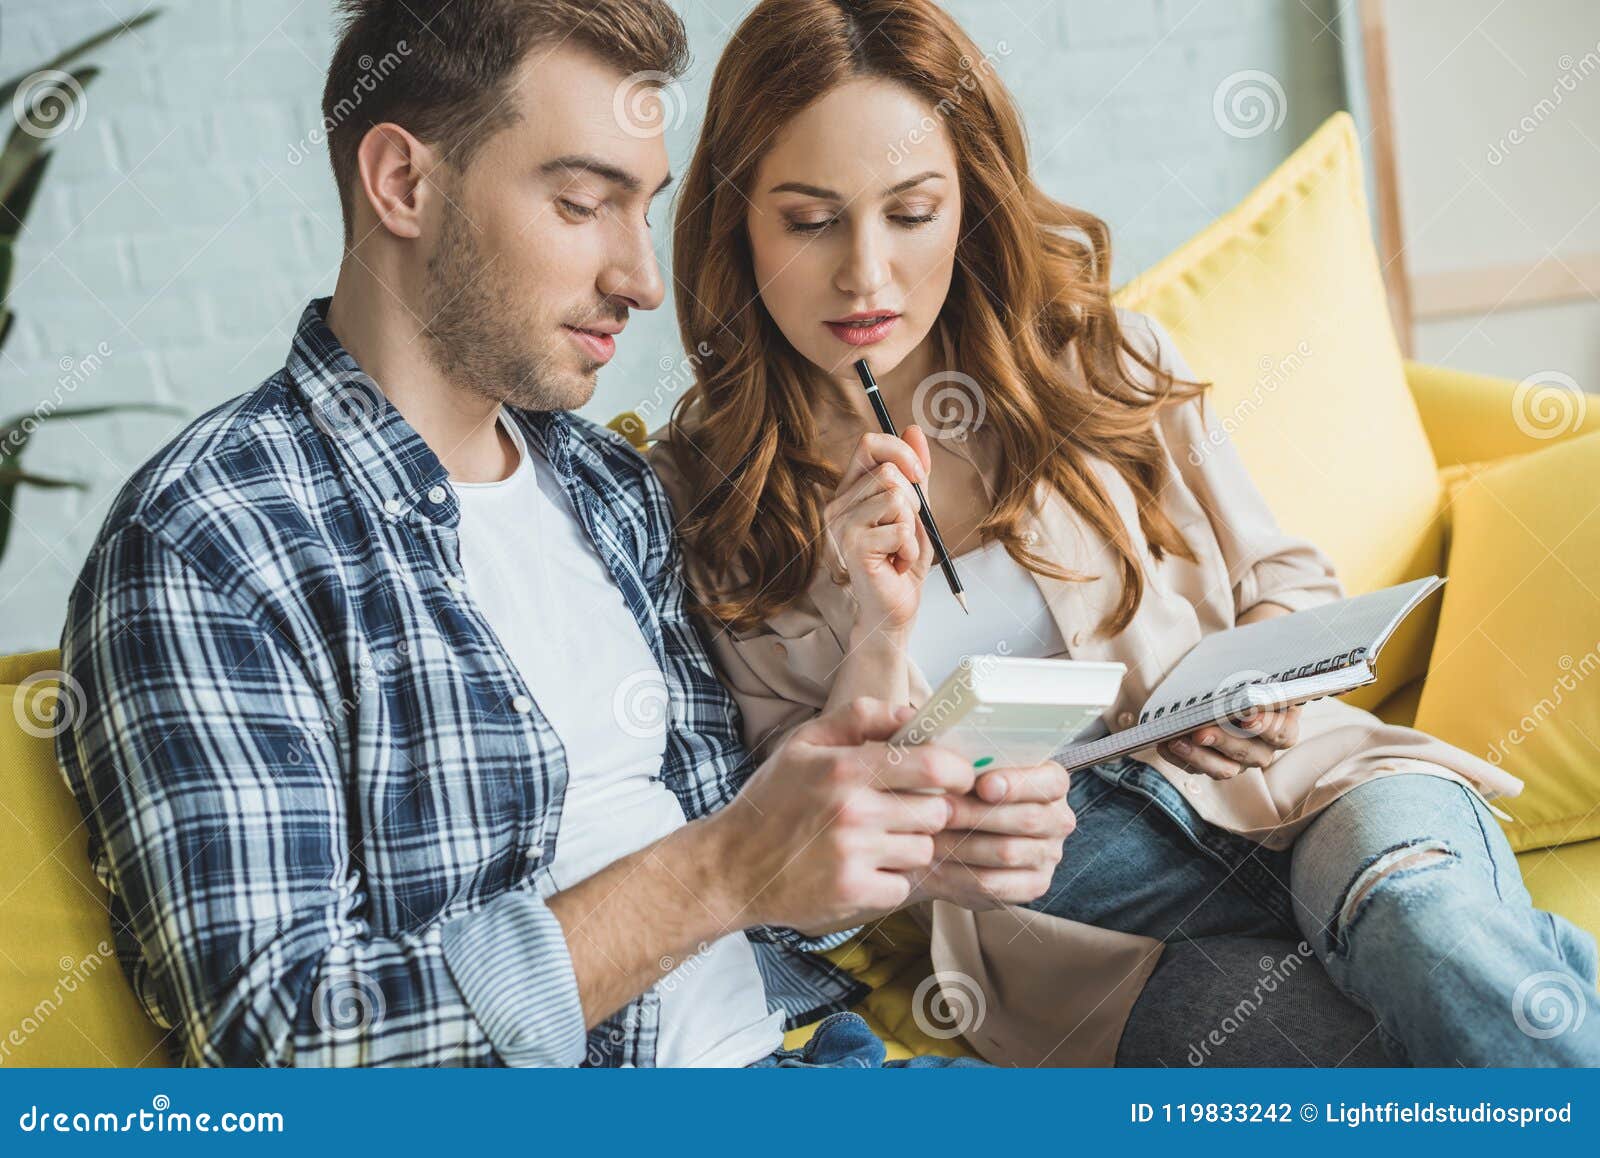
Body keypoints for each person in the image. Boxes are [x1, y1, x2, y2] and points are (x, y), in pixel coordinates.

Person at [52, 0, 1062, 1068]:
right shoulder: (213, 543)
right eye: (583, 204)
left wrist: (897, 841)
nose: (640, 279)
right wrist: (722, 867)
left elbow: (755, 898)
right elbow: (286, 1048)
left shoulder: (611, 490)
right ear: (403, 182)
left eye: (643, 211)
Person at [649, 0, 1600, 1067]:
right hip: (1075, 928)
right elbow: (807, 854)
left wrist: (1268, 688)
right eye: (810, 220)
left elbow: (1284, 572)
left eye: (911, 213)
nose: (865, 275)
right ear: (736, 219)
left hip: (1308, 790)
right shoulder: (703, 503)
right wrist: (876, 627)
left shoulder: (1100, 359)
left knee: (1420, 927)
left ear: (970, 204)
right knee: (1376, 1058)